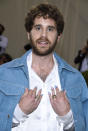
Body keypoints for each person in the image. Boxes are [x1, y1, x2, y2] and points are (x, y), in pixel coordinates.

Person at [0, 3, 88, 131]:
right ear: (28, 34)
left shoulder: (76, 79)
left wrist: (68, 118)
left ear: (58, 37)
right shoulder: (3, 74)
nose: (43, 35)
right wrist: (18, 113)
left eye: (50, 29)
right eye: (38, 28)